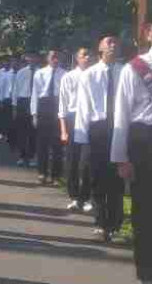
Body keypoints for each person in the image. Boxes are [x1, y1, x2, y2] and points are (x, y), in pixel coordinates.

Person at [111, 23, 152, 284]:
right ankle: (146, 271)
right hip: (144, 141)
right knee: (145, 209)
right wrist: (121, 157)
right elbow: (121, 114)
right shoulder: (134, 67)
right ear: (148, 32)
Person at [75, 34, 124, 242]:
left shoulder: (125, 72)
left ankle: (115, 224)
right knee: (97, 177)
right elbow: (83, 106)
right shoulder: (90, 74)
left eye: (115, 42)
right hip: (97, 129)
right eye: (108, 42)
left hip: (120, 127)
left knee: (117, 178)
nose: (113, 45)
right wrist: (82, 136)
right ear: (100, 48)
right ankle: (100, 222)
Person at [59, 47, 92, 212]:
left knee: (87, 161)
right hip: (72, 118)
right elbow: (63, 105)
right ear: (77, 58)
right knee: (72, 160)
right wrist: (63, 129)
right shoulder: (69, 77)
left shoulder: (94, 75)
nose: (87, 57)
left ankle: (86, 197)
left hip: (89, 119)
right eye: (83, 55)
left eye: (89, 55)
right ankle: (73, 196)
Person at [31, 50, 66, 185]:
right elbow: (35, 94)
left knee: (57, 144)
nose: (55, 59)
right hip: (44, 106)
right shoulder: (40, 73)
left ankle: (56, 176)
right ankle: (42, 173)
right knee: (42, 144)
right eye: (53, 57)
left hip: (58, 106)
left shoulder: (65, 74)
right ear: (47, 58)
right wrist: (34, 114)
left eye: (57, 57)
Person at [11, 52, 39, 167]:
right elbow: (15, 90)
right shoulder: (21, 72)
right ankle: (22, 156)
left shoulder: (40, 73)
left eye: (34, 57)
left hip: (35, 102)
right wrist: (14, 106)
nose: (32, 59)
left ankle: (32, 156)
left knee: (34, 131)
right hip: (23, 101)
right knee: (22, 131)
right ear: (27, 59)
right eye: (30, 57)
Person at [0, 56, 13, 140]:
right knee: (0, 117)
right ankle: (0, 133)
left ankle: (8, 134)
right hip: (0, 98)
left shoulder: (13, 72)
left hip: (9, 98)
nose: (5, 63)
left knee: (8, 118)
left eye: (7, 62)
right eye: (4, 62)